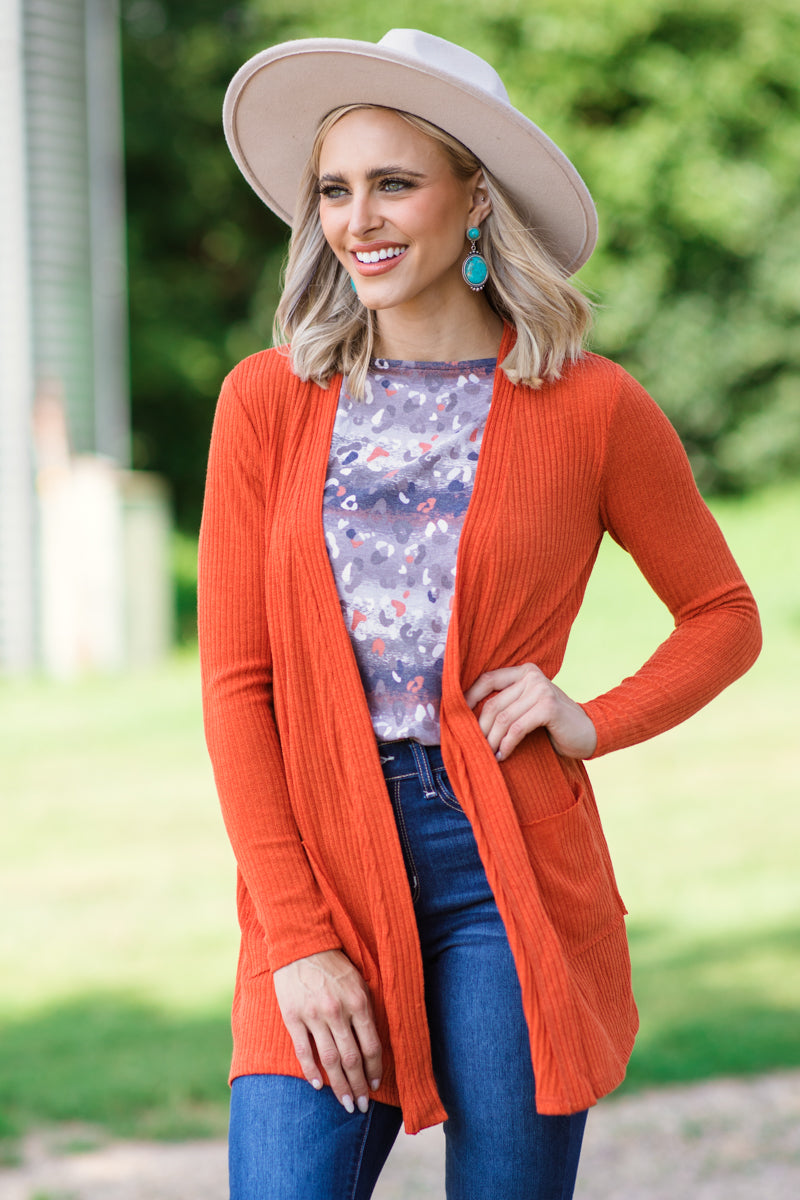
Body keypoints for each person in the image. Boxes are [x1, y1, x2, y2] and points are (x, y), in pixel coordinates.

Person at [198, 28, 761, 1200]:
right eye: (334, 190)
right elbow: (238, 686)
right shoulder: (265, 402)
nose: (358, 220)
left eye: (393, 183)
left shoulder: (590, 408)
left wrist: (588, 719)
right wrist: (296, 937)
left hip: (505, 867)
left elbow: (720, 613)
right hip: (319, 862)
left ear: (475, 199)